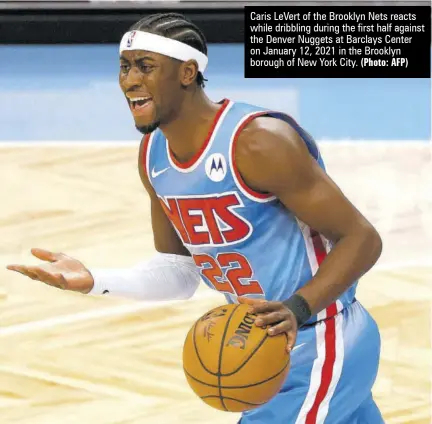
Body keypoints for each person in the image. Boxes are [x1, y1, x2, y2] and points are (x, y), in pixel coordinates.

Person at [7, 12, 385, 424]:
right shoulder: (153, 155)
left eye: (145, 67)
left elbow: (362, 239)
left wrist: (297, 307)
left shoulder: (257, 142)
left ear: (187, 72)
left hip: (321, 338)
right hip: (262, 349)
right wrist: (96, 280)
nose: (130, 80)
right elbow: (179, 274)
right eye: (125, 66)